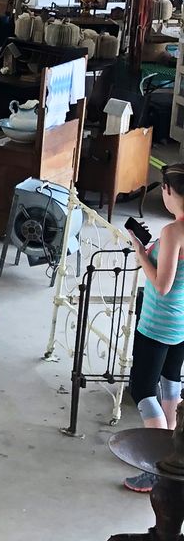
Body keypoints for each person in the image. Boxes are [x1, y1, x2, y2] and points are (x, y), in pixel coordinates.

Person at [123, 169, 184, 491]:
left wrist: (139, 251)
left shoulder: (175, 231)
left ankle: (156, 467)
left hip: (158, 322)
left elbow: (161, 286)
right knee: (171, 385)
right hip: (182, 322)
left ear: (169, 191)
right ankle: (174, 456)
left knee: (144, 391)